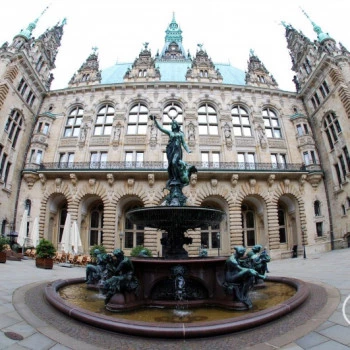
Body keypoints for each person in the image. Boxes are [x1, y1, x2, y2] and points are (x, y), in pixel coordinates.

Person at [149, 115, 195, 188]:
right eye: (172, 125)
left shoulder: (180, 134)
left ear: (177, 125)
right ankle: (174, 177)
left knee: (174, 162)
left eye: (174, 124)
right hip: (170, 149)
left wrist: (188, 150)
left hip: (177, 150)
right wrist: (155, 120)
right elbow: (161, 128)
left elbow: (184, 143)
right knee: (171, 164)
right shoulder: (170, 132)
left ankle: (177, 177)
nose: (173, 126)